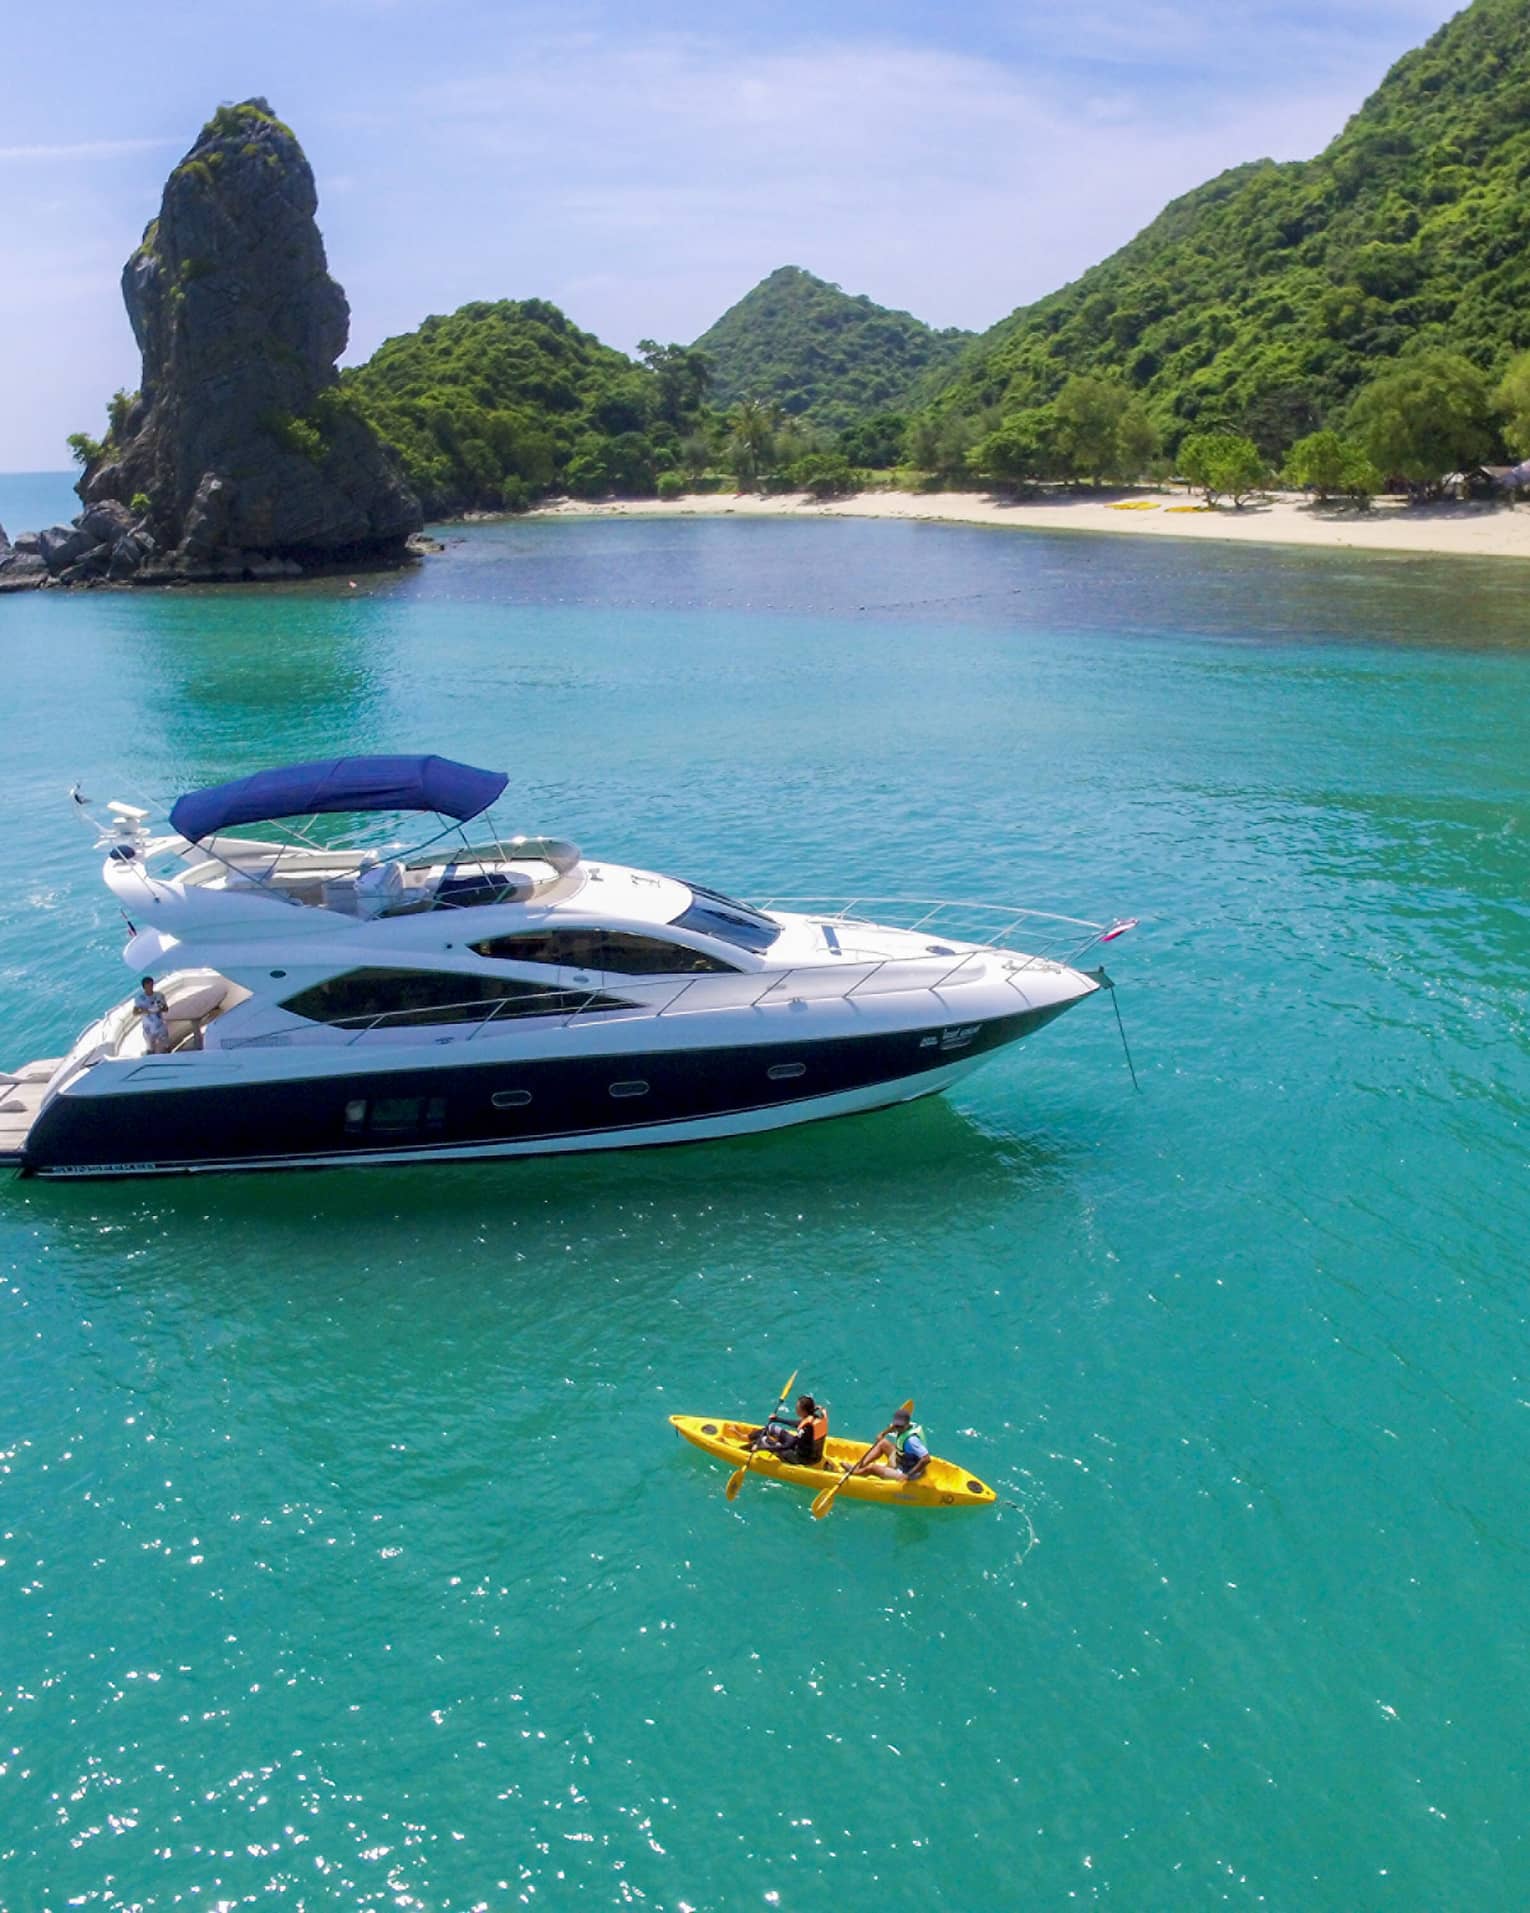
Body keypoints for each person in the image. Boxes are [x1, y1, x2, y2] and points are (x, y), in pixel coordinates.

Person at [852, 1406, 930, 1483]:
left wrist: (907, 1475)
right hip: (901, 1462)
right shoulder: (909, 1426)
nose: (897, 1429)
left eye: (900, 1426)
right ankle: (858, 1467)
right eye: (896, 1425)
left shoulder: (912, 1441)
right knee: (883, 1443)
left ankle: (854, 1474)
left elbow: (926, 1459)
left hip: (908, 1473)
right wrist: (883, 1433)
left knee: (872, 1468)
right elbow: (893, 1427)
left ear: (907, 1423)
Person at [747, 1393, 829, 1466]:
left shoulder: (805, 1429)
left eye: (797, 1407)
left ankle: (752, 1447)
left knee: (765, 1441)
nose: (795, 1409)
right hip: (810, 1454)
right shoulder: (815, 1418)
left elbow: (788, 1446)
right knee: (771, 1427)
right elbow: (797, 1424)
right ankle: (747, 1437)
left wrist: (762, 1448)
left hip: (802, 1459)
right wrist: (777, 1419)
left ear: (804, 1411)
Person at [132, 974, 171, 1055]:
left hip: (160, 1025)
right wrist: (145, 1011)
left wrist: (160, 1008)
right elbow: (135, 1013)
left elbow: (166, 1009)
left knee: (167, 1046)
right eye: (148, 986)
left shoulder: (159, 995)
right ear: (144, 987)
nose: (150, 987)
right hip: (148, 1028)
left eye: (151, 985)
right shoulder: (139, 998)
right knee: (150, 1048)